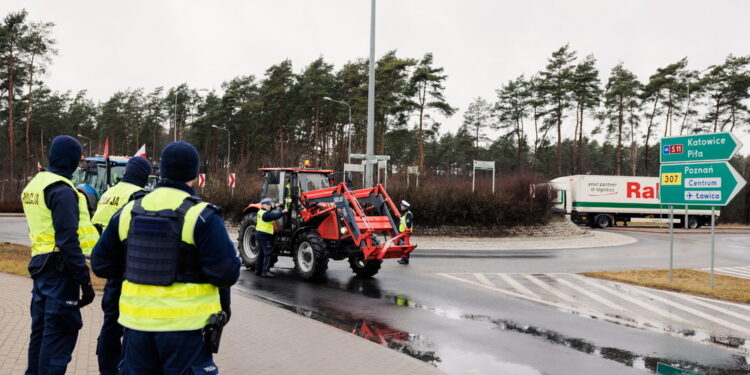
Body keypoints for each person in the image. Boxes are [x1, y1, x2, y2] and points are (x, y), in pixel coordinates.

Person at [91, 141, 240, 374]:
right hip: (186, 334)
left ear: (161, 172)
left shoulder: (128, 212)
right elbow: (225, 273)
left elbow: (100, 264)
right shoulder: (202, 216)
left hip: (135, 329)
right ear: (194, 174)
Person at [21, 135, 99, 375]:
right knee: (58, 338)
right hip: (60, 272)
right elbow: (68, 241)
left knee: (42, 334)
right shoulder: (62, 190)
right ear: (72, 161)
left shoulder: (35, 185)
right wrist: (85, 280)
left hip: (40, 269)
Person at [90, 156, 152, 375]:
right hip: (131, 271)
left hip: (110, 270)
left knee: (109, 326)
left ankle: (105, 369)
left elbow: (95, 225)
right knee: (131, 328)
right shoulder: (139, 197)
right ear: (143, 176)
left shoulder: (108, 193)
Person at [255, 197, 287, 278]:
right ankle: (265, 271)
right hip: (265, 236)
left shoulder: (260, 211)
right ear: (263, 205)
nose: (269, 206)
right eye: (268, 204)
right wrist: (283, 211)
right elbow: (274, 216)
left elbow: (269, 211)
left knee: (261, 253)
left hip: (260, 235)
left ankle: (258, 270)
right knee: (268, 253)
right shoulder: (266, 215)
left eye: (270, 204)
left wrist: (275, 206)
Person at [397, 200, 414, 265]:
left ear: (405, 207)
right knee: (403, 246)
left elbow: (408, 224)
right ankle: (404, 259)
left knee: (405, 246)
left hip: (406, 233)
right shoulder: (403, 213)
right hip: (402, 232)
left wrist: (406, 232)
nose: (401, 206)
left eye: (402, 205)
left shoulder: (408, 214)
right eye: (401, 205)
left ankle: (405, 259)